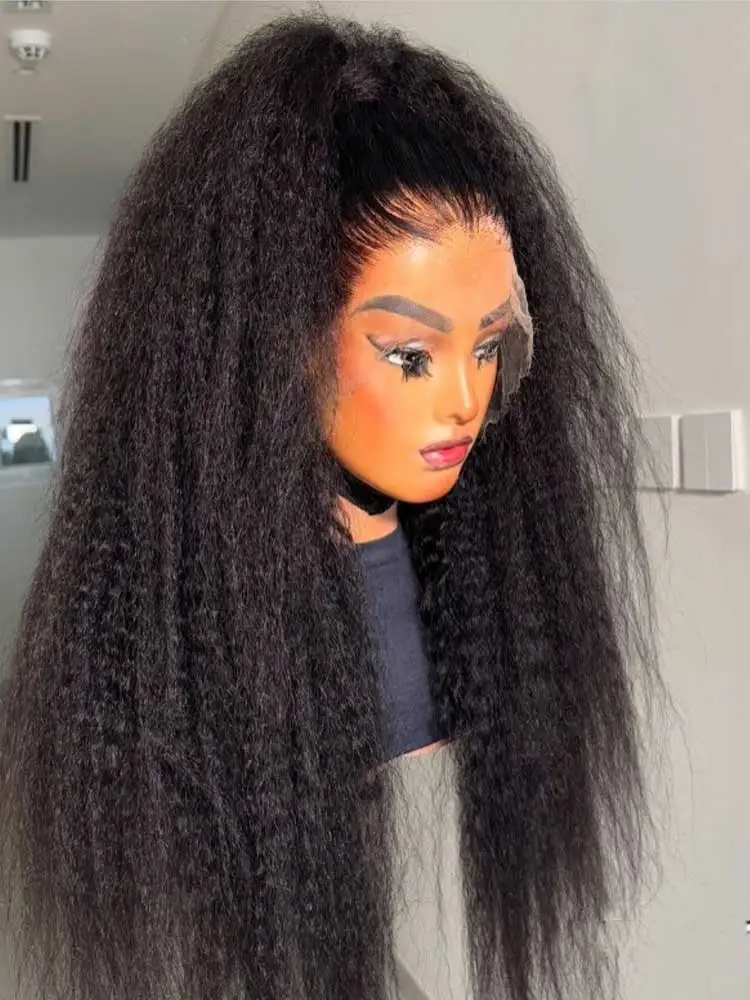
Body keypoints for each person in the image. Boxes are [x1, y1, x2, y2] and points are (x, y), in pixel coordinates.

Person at [0, 12, 667, 1000]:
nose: (466, 398)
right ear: (274, 342)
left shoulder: (482, 579)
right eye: (412, 354)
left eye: (489, 346)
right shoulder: (189, 628)